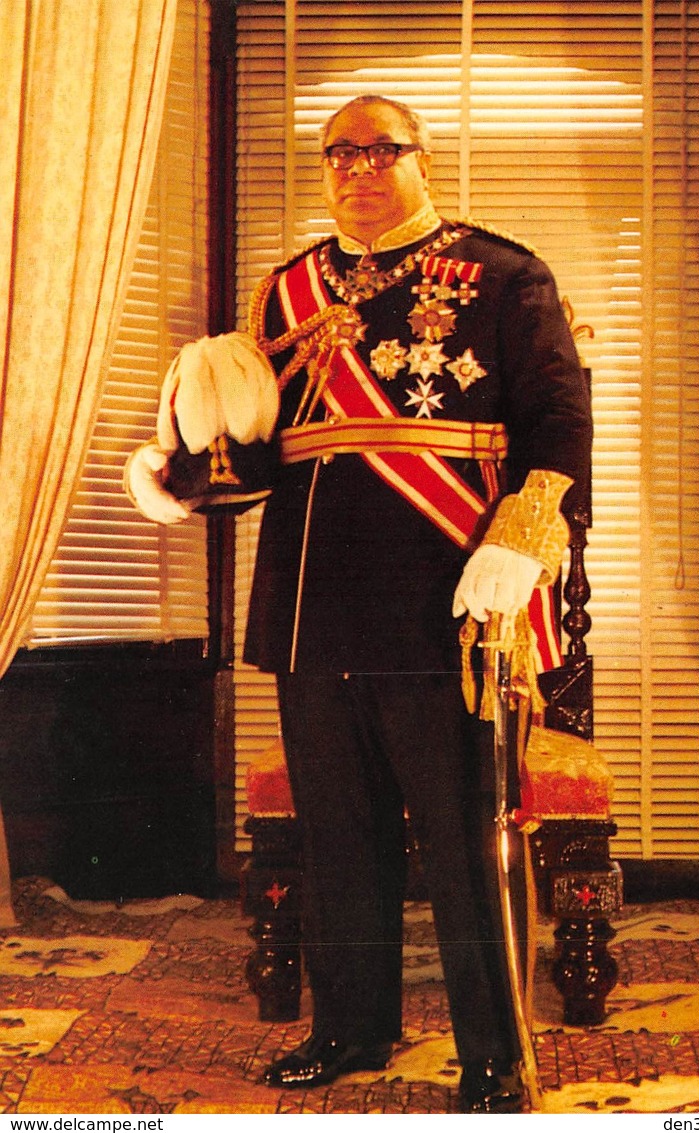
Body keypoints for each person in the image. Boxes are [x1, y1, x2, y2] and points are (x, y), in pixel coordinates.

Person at [125, 95, 592, 1113]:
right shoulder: (287, 287)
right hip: (310, 598)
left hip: (445, 595)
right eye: (341, 154)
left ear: (422, 159)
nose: (360, 169)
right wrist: (184, 463)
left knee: (465, 840)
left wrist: (515, 547)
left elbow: (558, 424)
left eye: (382, 150)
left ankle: (492, 1053)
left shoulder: (503, 274)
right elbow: (253, 450)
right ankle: (350, 1025)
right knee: (339, 829)